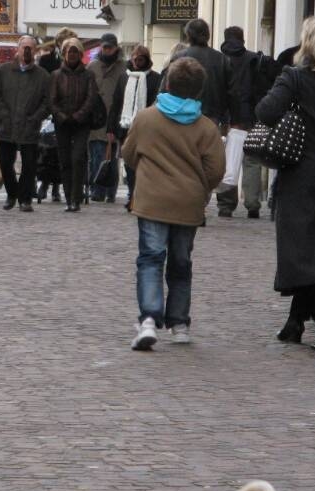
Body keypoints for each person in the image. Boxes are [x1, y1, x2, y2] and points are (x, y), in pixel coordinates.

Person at [121, 57, 224, 350]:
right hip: (188, 203)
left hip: (152, 199)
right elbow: (216, 169)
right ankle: (179, 323)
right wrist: (199, 186)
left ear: (168, 84)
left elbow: (129, 154)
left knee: (151, 259)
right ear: (199, 90)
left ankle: (149, 319)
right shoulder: (206, 127)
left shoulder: (146, 118)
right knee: (181, 263)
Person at [257, 15, 315, 349]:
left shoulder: (295, 78)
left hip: (302, 173)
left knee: (301, 250)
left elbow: (266, 112)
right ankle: (295, 319)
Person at [0, 34, 49, 212]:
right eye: (24, 47)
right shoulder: (3, 71)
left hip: (29, 126)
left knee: (29, 164)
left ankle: (25, 198)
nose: (27, 51)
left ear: (35, 51)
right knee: (5, 161)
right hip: (7, 125)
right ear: (18, 49)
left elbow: (47, 101)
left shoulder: (42, 76)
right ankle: (12, 193)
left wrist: (36, 116)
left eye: (31, 47)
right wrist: (2, 114)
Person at [216, 26, 263, 218]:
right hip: (251, 116)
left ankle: (226, 205)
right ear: (242, 39)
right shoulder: (254, 60)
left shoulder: (218, 60)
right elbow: (260, 90)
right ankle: (252, 204)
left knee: (227, 161)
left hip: (226, 118)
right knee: (251, 160)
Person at [108, 45, 160, 208]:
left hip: (147, 127)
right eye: (134, 59)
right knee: (129, 163)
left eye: (140, 59)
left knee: (144, 164)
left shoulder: (155, 79)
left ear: (147, 60)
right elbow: (116, 104)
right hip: (126, 127)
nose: (137, 62)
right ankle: (132, 195)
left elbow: (156, 103)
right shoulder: (124, 78)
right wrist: (110, 128)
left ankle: (141, 195)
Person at [49, 37, 97, 212]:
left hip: (81, 123)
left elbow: (91, 98)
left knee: (78, 159)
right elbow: (52, 100)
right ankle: (68, 197)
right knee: (65, 161)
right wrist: (61, 115)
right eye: (70, 52)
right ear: (64, 54)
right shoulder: (56, 75)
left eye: (76, 52)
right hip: (62, 123)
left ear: (80, 54)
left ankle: (77, 197)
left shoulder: (88, 75)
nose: (72, 55)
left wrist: (78, 115)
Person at [171, 19, 239, 127]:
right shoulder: (222, 59)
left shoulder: (179, 58)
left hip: (182, 116)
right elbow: (232, 94)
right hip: (212, 119)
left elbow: (166, 89)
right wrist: (230, 121)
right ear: (207, 35)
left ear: (188, 35)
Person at [87, 33, 125, 203]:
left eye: (110, 47)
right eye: (105, 47)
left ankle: (110, 191)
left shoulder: (124, 67)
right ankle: (97, 190)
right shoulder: (93, 66)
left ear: (116, 47)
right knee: (97, 156)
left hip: (116, 117)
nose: (107, 50)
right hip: (96, 119)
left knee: (112, 156)